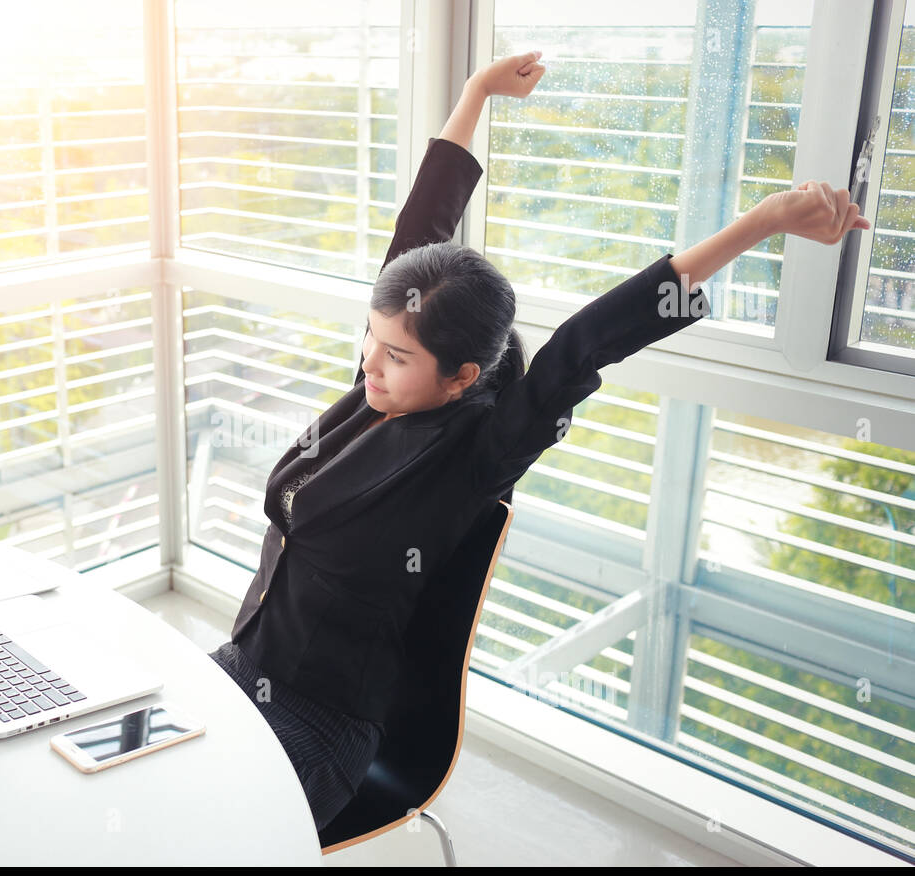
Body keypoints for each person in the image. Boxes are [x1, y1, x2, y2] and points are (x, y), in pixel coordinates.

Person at [208, 50, 871, 835]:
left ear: (459, 377)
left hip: (319, 732)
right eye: (370, 340)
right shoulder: (377, 386)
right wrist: (476, 93)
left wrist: (762, 222)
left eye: (395, 355)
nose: (369, 366)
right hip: (240, 669)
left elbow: (588, 342)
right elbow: (421, 228)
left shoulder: (474, 454)